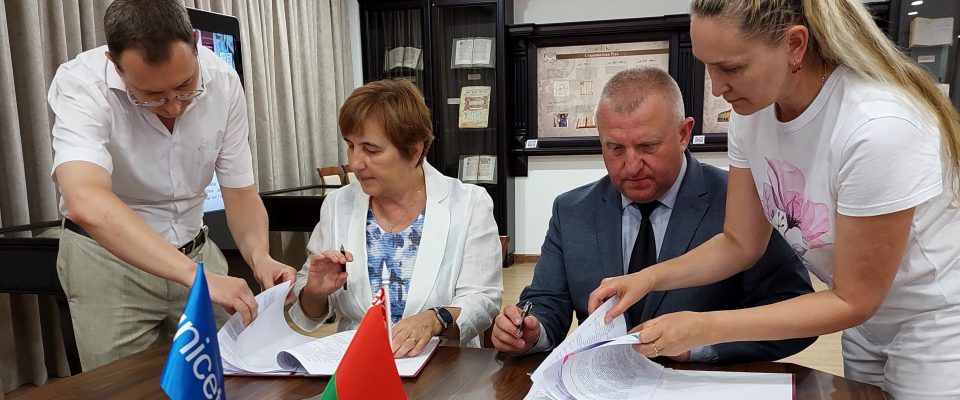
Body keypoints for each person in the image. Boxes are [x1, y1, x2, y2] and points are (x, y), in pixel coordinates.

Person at [589, 0, 960, 397]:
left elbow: (853, 299)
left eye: (731, 68)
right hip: (867, 325)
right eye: (707, 66)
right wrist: (648, 278)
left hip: (936, 321)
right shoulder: (751, 116)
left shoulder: (877, 127)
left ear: (794, 45)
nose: (716, 87)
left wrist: (705, 327)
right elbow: (739, 243)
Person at [492, 67, 815, 363]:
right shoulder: (572, 211)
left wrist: (699, 346)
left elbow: (793, 312)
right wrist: (530, 331)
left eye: (647, 146)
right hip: (603, 385)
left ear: (684, 134)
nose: (632, 166)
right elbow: (547, 301)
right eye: (615, 148)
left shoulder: (742, 203)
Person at [49, 0, 296, 370]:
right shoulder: (82, 84)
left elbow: (240, 191)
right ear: (114, 64)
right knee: (125, 386)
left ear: (196, 43)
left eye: (184, 87)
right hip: (110, 263)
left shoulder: (223, 82)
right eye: (151, 95)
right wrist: (196, 278)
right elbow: (85, 198)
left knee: (227, 374)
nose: (173, 107)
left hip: (196, 251)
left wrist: (260, 257)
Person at [288, 78, 503, 358]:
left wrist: (435, 319)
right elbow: (309, 312)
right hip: (359, 364)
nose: (355, 163)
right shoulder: (338, 204)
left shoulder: (468, 203)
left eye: (371, 150)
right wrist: (315, 292)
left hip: (443, 368)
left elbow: (483, 300)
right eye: (351, 146)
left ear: (414, 151)